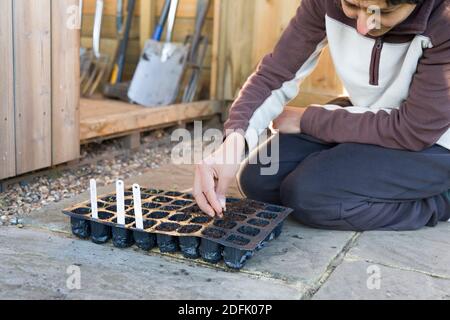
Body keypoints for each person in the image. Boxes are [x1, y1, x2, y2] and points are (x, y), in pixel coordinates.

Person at [193, 0, 450, 231]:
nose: (362, 25)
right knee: (259, 179)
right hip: (369, 116)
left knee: (311, 196)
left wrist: (309, 120)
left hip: (433, 140)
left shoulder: (444, 21)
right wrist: (233, 142)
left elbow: (413, 129)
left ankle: (441, 201)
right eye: (351, 5)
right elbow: (275, 74)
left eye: (383, 12)